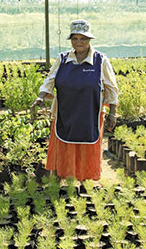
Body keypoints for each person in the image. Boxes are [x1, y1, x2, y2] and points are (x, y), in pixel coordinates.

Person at [31, 19, 118, 181]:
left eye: (83, 39)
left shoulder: (100, 60)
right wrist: (40, 97)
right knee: (63, 146)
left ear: (89, 39)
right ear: (70, 40)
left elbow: (111, 88)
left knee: (86, 148)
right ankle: (59, 182)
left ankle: (86, 182)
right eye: (75, 39)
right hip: (65, 113)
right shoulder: (63, 59)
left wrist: (113, 113)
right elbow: (49, 80)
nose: (79, 42)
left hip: (90, 114)